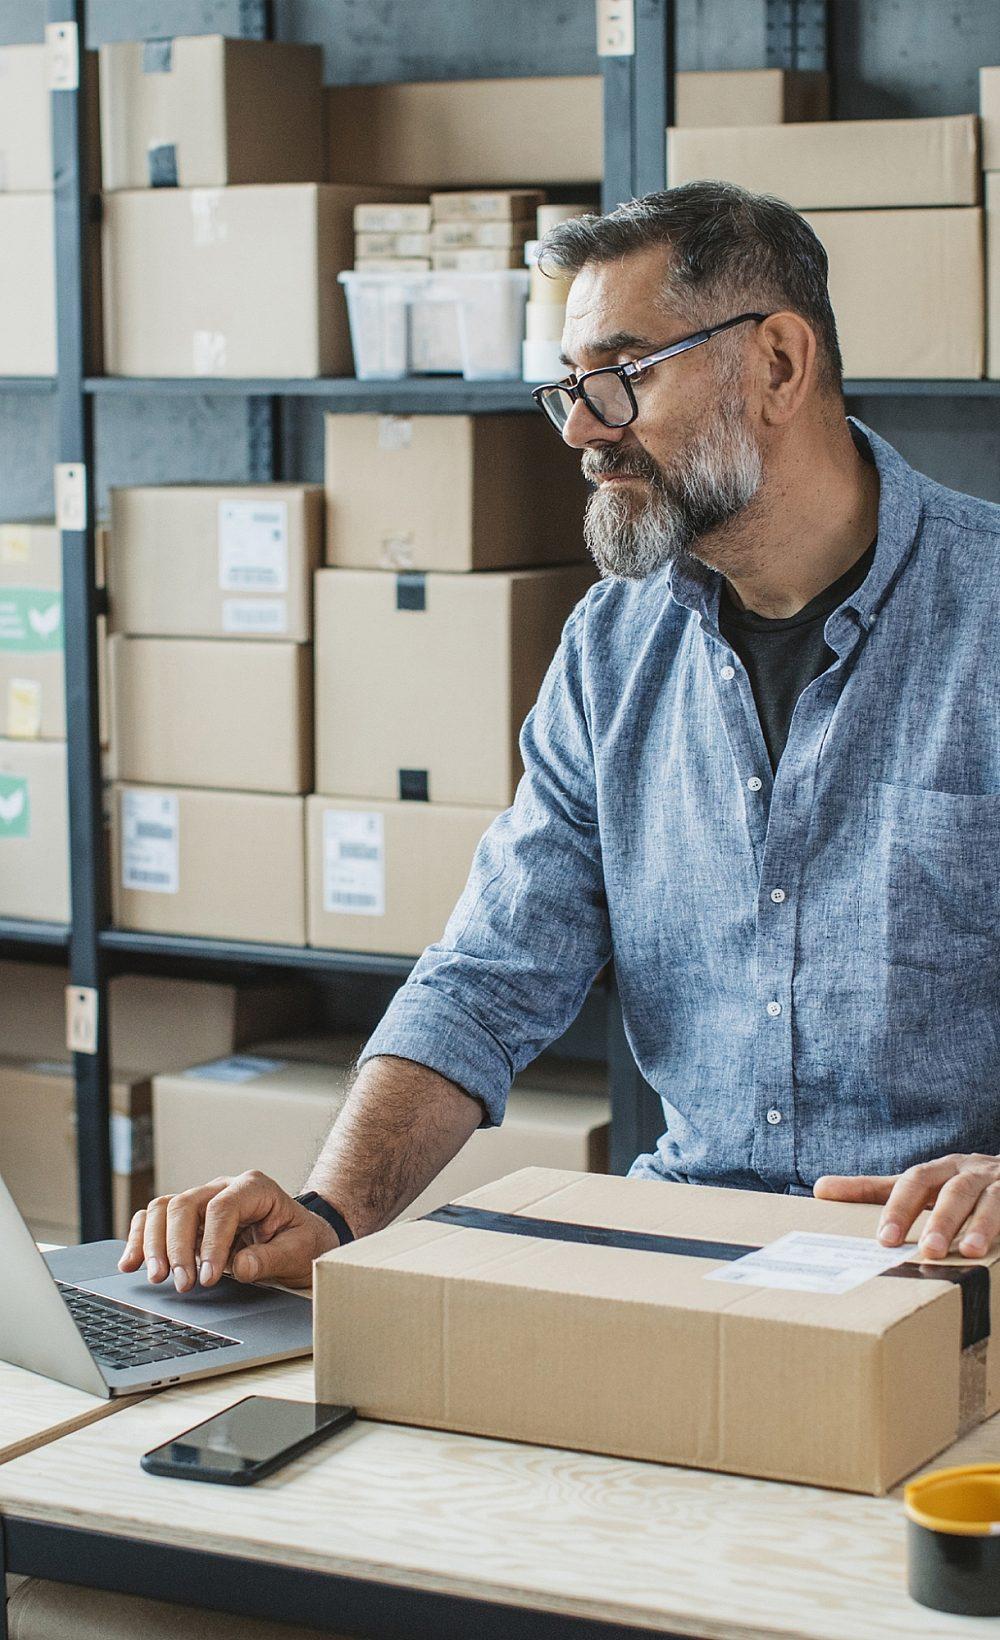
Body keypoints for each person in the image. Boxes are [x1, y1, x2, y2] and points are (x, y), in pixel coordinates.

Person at [122, 180, 1000, 1294]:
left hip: (948, 1267)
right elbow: (491, 973)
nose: (583, 430)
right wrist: (331, 1208)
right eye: (570, 389)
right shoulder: (613, 648)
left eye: (622, 377)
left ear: (778, 364)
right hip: (693, 1252)